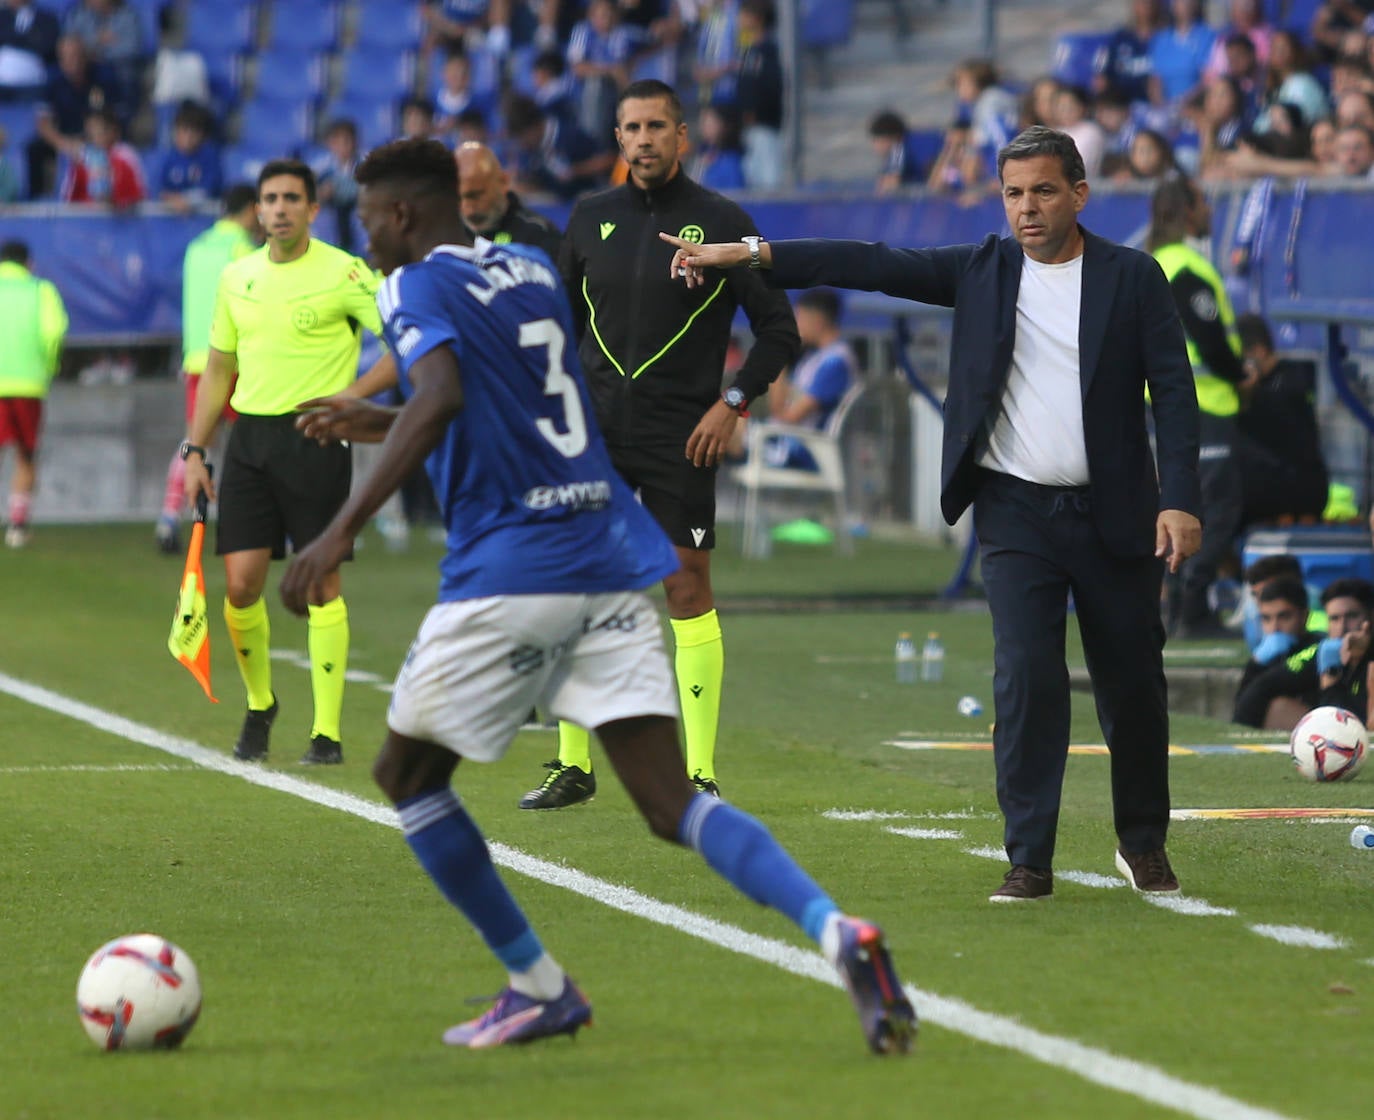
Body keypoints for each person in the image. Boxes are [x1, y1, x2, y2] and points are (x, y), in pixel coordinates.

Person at [276, 136, 916, 1055]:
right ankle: (836, 930)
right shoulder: (532, 270)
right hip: (609, 553)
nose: (365, 236)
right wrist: (378, 416)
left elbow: (445, 392)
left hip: (515, 567)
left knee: (406, 777)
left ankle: (538, 986)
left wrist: (339, 531)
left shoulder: (408, 286)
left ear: (405, 215)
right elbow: (511, 402)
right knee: (668, 803)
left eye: (371, 219)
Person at [662, 125, 1203, 902]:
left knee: (1133, 686)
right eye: (1014, 192)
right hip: (1015, 512)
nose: (1027, 208)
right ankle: (1029, 857)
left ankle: (1142, 842)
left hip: (1117, 512)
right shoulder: (982, 270)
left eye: (1044, 190)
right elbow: (867, 262)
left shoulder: (1134, 278)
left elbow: (1175, 395)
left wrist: (1179, 499)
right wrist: (745, 255)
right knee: (1026, 677)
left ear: (1080, 195)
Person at [527, 78, 799, 809]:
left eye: (657, 126)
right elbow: (555, 327)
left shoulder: (721, 221)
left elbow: (780, 330)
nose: (644, 139)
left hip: (684, 435)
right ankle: (571, 764)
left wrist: (733, 403)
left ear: (683, 136)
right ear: (617, 140)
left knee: (685, 584)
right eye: (632, 128)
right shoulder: (588, 219)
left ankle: (700, 773)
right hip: (592, 433)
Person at [181, 159, 383, 767]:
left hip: (316, 438)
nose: (279, 208)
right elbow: (219, 368)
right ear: (258, 209)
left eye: (292, 198)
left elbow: (407, 339)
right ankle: (261, 703)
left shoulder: (346, 272)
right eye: (270, 199)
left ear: (313, 209)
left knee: (321, 581)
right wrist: (195, 449)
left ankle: (326, 732)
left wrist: (353, 397)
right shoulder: (236, 275)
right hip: (249, 443)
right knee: (240, 586)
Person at [1147, 175, 1244, 639]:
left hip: (1160, 407)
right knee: (1215, 509)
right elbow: (1212, 342)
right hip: (1205, 407)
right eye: (1203, 202)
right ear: (1187, 210)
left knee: (1172, 508)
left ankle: (1176, 607)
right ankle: (1194, 610)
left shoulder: (1149, 263)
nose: (1209, 210)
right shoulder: (1187, 268)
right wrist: (1241, 374)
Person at [155, 183, 261, 554]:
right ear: (250, 210)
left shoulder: (196, 248)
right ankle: (257, 520)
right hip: (234, 358)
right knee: (254, 440)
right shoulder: (244, 250)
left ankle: (169, 517)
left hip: (197, 357)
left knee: (195, 441)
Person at [1233, 577, 1374, 729]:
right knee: (1279, 708)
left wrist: (1331, 677)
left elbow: (1348, 726)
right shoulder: (1320, 652)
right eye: (1334, 619)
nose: (1342, 628)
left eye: (1352, 616)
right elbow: (1261, 687)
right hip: (1336, 736)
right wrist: (1256, 663)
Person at [0, 239, 68, 549]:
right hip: (28, 385)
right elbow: (53, 332)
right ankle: (17, 526)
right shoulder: (41, 290)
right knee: (26, 455)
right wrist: (48, 366)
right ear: (27, 263)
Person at [1234, 312, 1328, 531]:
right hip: (1277, 482)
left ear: (1258, 351)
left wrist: (1248, 396)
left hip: (1297, 490)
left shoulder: (1288, 385)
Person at [1232, 574, 1324, 717]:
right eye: (1266, 619)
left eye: (1284, 617)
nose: (1274, 627)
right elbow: (1241, 705)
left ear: (1304, 616)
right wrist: (1256, 662)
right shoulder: (1268, 654)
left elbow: (1262, 688)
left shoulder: (1316, 647)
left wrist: (1256, 663)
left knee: (1279, 707)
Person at [454, 140, 562, 260]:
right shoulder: (447, 238)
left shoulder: (539, 236)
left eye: (476, 195)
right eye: (458, 198)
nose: (468, 210)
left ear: (503, 182)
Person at [156, 100, 222, 214]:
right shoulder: (166, 157)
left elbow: (209, 189)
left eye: (194, 132)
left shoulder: (210, 157)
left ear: (202, 135)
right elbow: (157, 188)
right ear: (176, 132)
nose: (188, 137)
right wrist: (172, 199)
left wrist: (185, 201)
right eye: (184, 131)